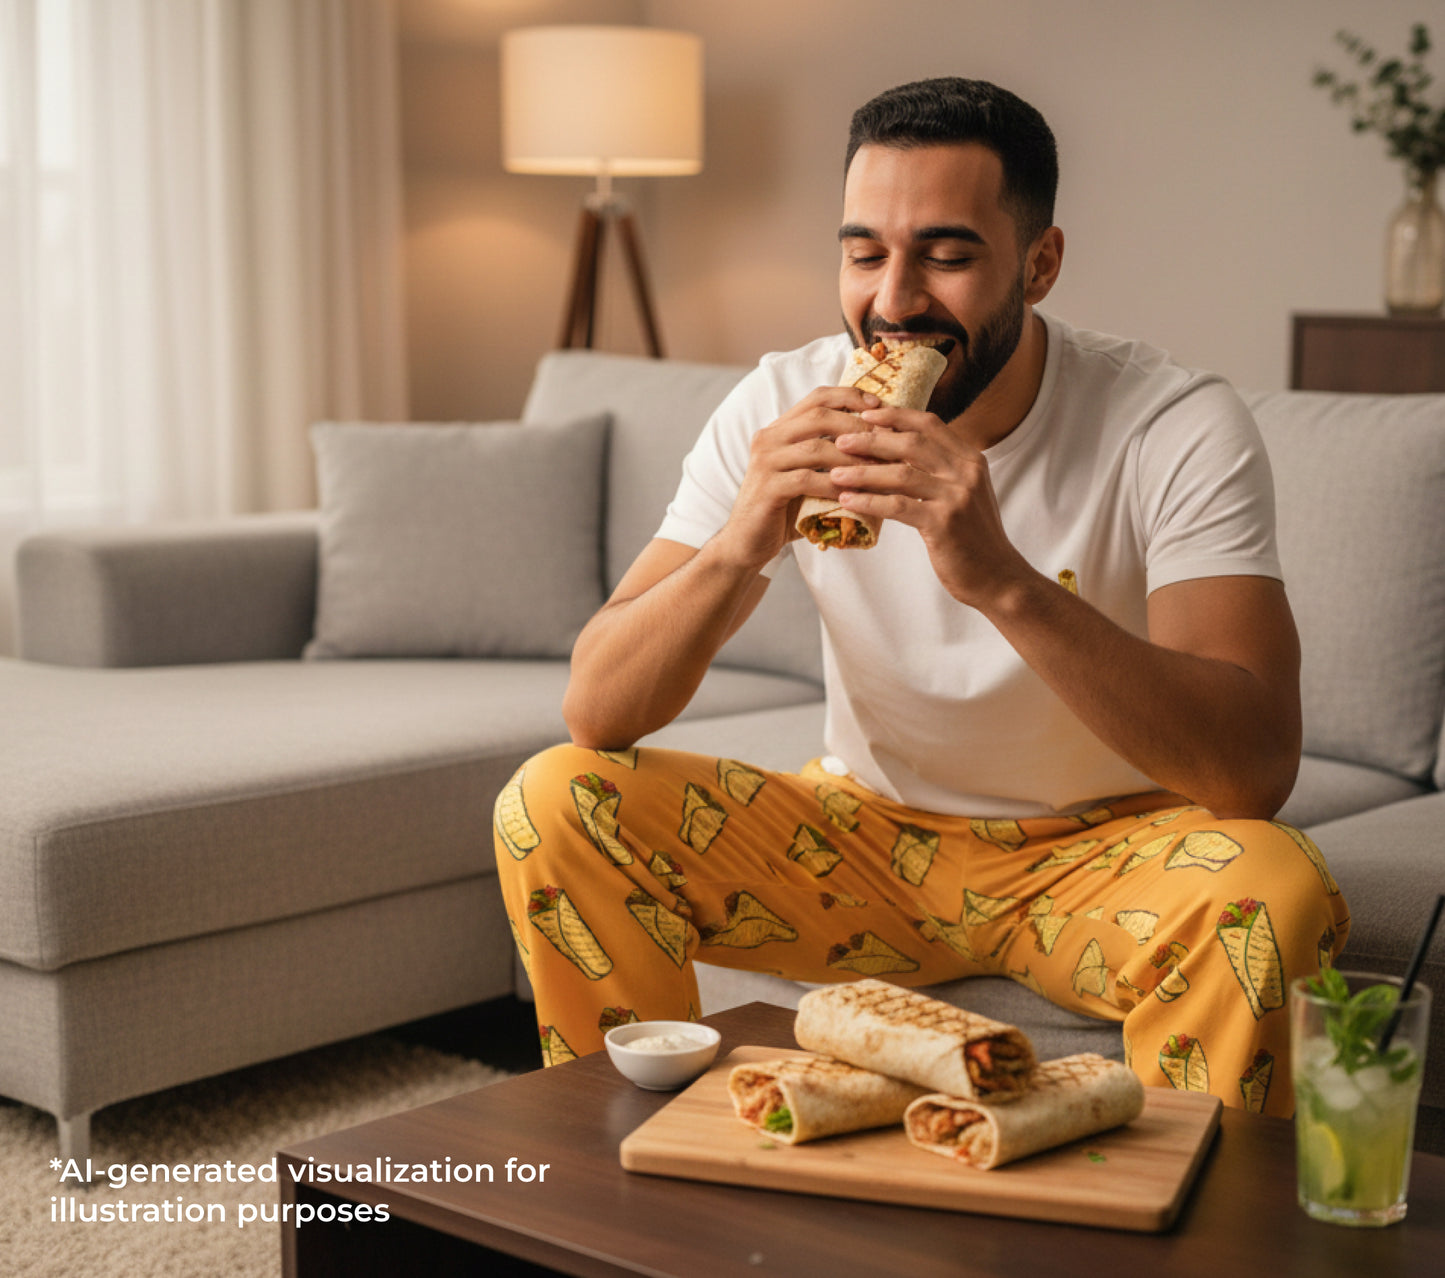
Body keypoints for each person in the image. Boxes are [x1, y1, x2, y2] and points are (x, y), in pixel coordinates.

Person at [493, 77, 1349, 1116]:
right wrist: (740, 540)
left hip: (1105, 853)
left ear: (1039, 262)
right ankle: (617, 1172)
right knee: (554, 798)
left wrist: (998, 578)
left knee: (1273, 884)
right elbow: (599, 710)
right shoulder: (778, 400)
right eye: (862, 253)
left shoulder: (1171, 424)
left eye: (944, 255)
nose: (892, 301)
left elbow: (1249, 771)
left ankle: (1189, 1226)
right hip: (864, 837)